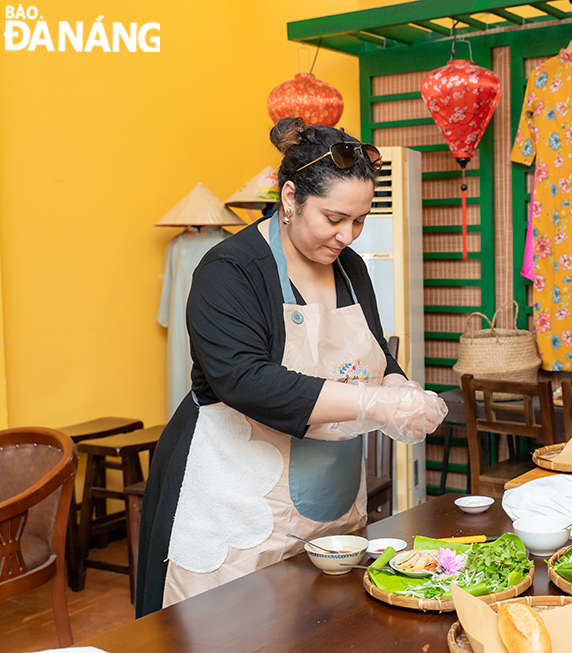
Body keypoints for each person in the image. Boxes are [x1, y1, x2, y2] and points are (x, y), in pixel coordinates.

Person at [136, 119, 448, 616]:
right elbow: (243, 379)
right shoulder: (231, 270)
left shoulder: (350, 267)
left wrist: (397, 387)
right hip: (238, 498)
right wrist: (373, 402)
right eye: (334, 218)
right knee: (234, 628)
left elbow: (375, 350)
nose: (348, 235)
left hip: (331, 499)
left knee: (325, 625)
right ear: (289, 197)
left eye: (360, 220)